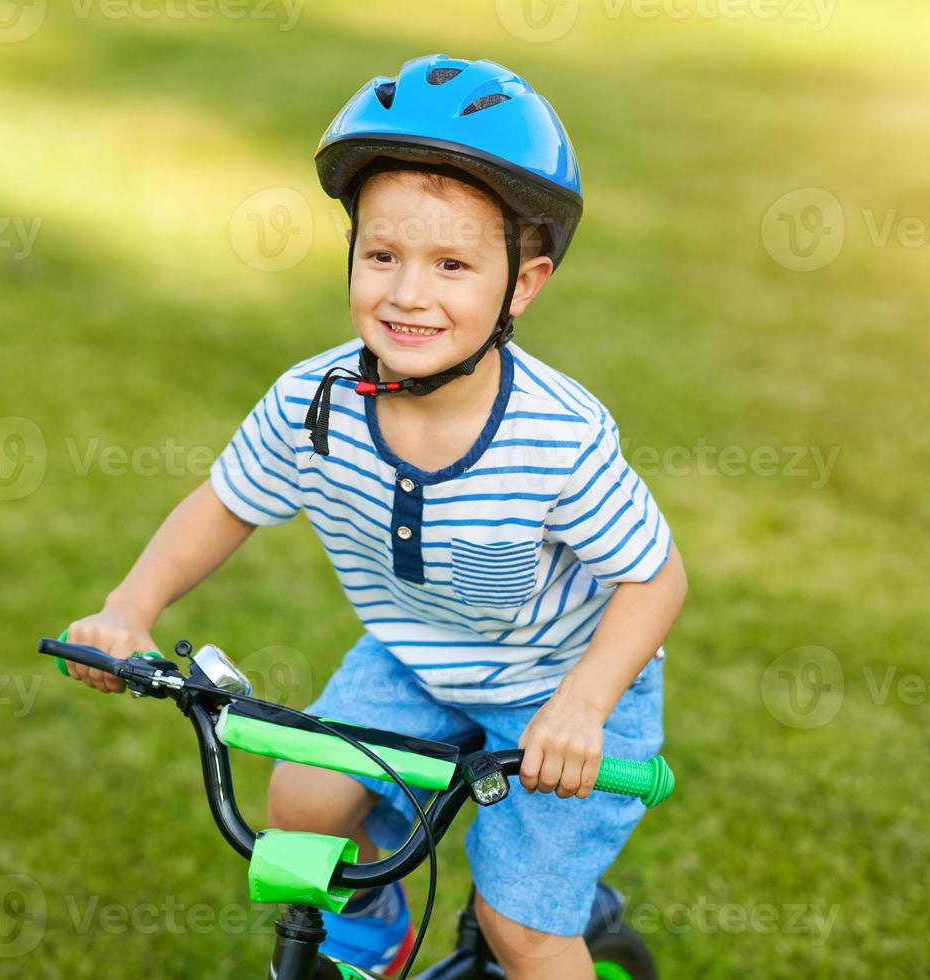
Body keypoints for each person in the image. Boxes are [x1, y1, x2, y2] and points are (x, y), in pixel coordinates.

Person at [63, 54, 687, 979]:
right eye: (382, 255)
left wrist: (583, 707)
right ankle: (369, 931)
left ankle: (548, 925)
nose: (407, 292)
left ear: (523, 284)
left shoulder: (556, 433)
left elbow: (654, 576)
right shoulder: (314, 400)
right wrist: (129, 609)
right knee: (303, 796)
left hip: (564, 680)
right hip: (417, 657)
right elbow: (227, 502)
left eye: (451, 264)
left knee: (520, 928)